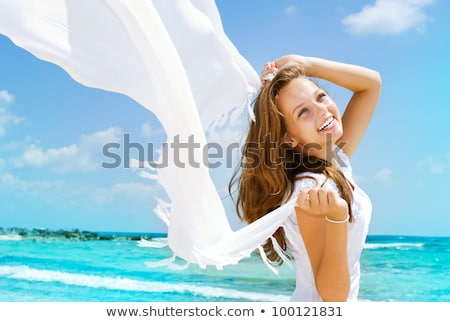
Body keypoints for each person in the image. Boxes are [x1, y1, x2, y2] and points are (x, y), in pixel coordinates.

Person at [229, 55, 381, 301]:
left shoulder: (334, 160)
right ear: (288, 138)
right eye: (303, 112)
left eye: (321, 96)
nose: (323, 111)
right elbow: (332, 297)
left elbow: (371, 85)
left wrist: (304, 64)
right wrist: (337, 218)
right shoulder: (309, 187)